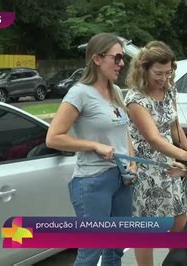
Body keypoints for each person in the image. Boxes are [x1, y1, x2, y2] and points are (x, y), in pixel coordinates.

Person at [46, 33, 136, 266]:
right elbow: (53, 137)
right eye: (116, 58)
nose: (122, 63)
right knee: (91, 251)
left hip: (122, 179)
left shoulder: (115, 90)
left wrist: (133, 161)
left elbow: (123, 130)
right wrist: (94, 145)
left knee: (116, 247)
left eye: (122, 58)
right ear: (97, 59)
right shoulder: (79, 93)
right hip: (92, 182)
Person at [124, 40, 187, 266]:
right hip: (147, 171)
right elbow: (153, 138)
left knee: (180, 225)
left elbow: (175, 127)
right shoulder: (135, 100)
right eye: (158, 73)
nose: (164, 78)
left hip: (170, 168)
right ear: (144, 69)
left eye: (168, 72)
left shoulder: (169, 90)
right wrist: (184, 155)